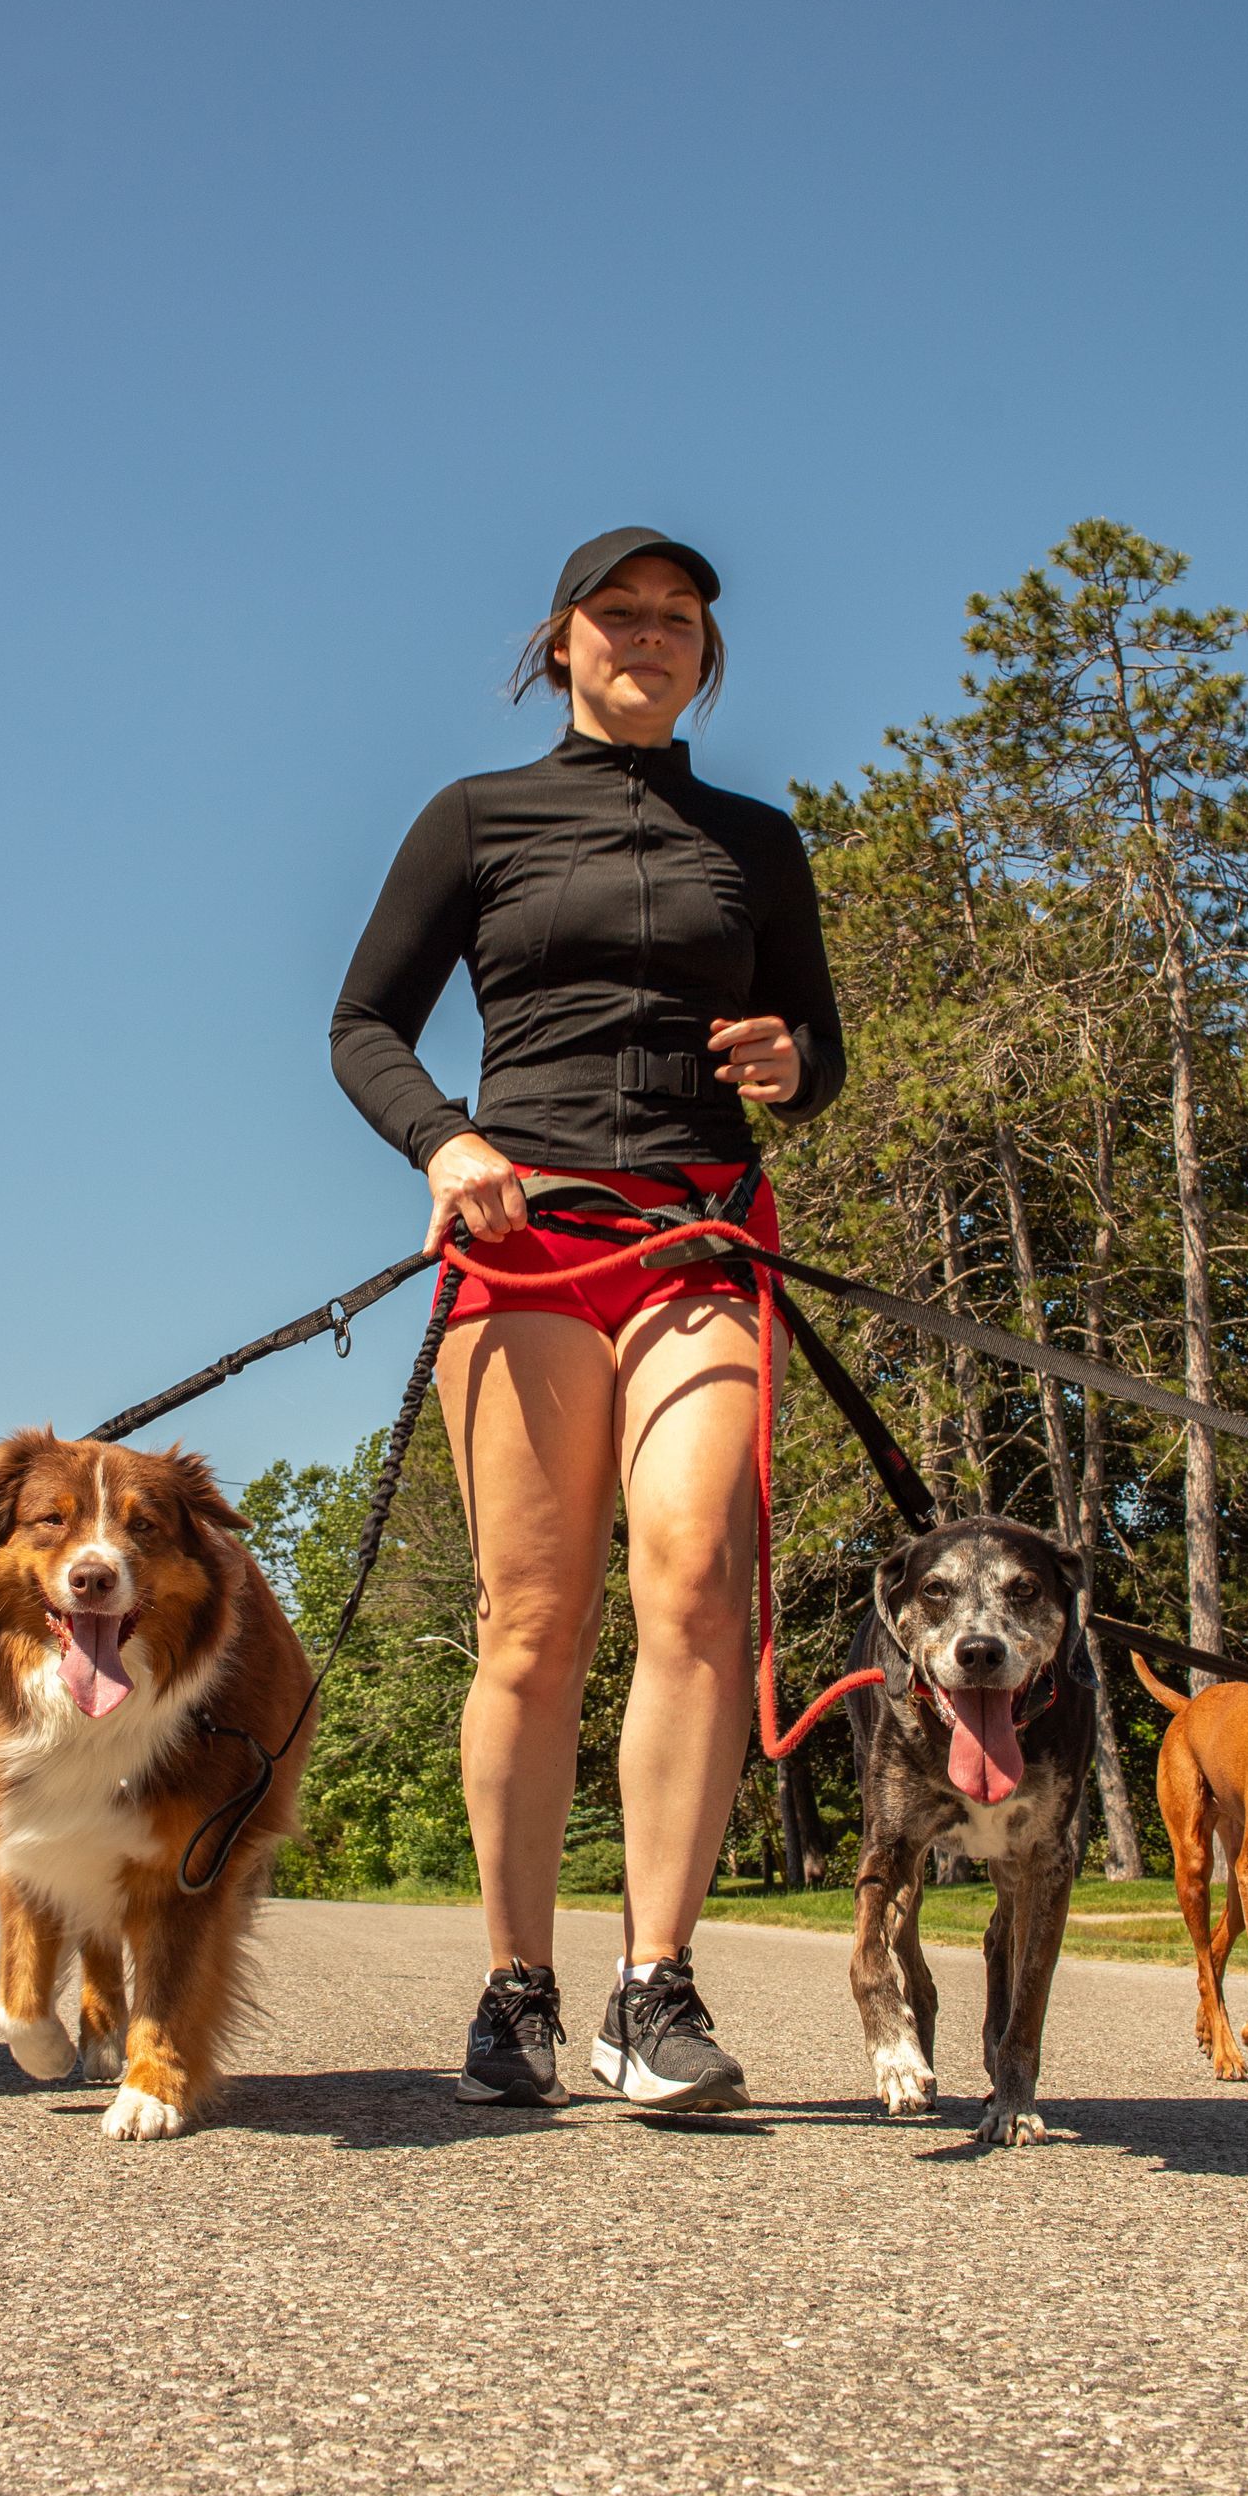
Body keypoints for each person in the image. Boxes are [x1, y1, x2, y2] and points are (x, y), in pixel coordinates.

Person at [331, 528, 844, 2110]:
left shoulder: (753, 840)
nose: (649, 635)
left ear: (707, 651)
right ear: (560, 644)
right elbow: (363, 1025)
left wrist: (790, 1065)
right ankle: (516, 1989)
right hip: (528, 1234)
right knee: (535, 1621)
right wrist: (448, 1139)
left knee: (694, 1581)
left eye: (677, 618)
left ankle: (654, 1991)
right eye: (617, 615)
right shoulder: (476, 819)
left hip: (698, 1228)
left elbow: (817, 1041)